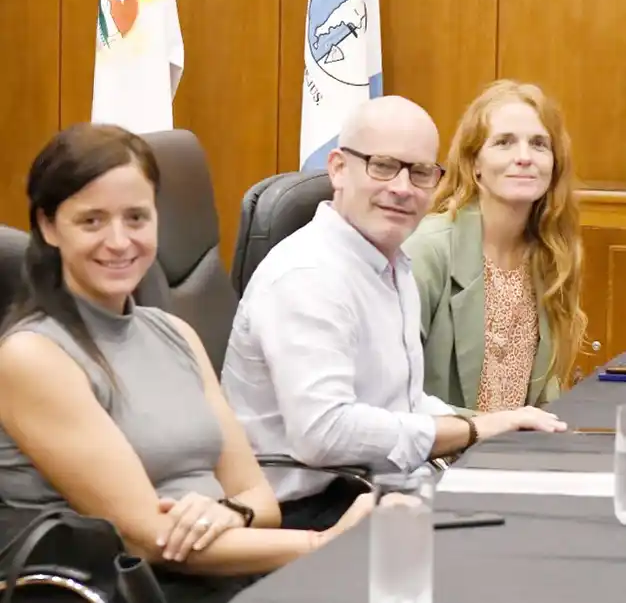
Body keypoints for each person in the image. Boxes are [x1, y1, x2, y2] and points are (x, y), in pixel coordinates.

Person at [0, 124, 373, 601]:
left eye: (136, 218)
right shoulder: (32, 356)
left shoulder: (175, 333)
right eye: (92, 221)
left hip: (231, 568)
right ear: (49, 227)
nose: (119, 241)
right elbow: (147, 539)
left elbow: (261, 500)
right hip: (133, 588)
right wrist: (324, 544)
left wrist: (232, 512)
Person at [221, 96, 567, 533]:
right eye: (383, 166)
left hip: (380, 484)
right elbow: (325, 433)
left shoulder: (389, 261)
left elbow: (404, 402)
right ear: (338, 168)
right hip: (308, 511)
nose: (403, 188)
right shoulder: (308, 274)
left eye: (420, 172)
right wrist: (473, 432)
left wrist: (498, 424)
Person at [405, 80, 587, 411]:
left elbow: (547, 394)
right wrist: (486, 430)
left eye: (539, 144)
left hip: (517, 455)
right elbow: (391, 397)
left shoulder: (552, 254)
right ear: (473, 164)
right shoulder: (427, 251)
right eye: (504, 143)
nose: (524, 157)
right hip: (436, 456)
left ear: (554, 164)